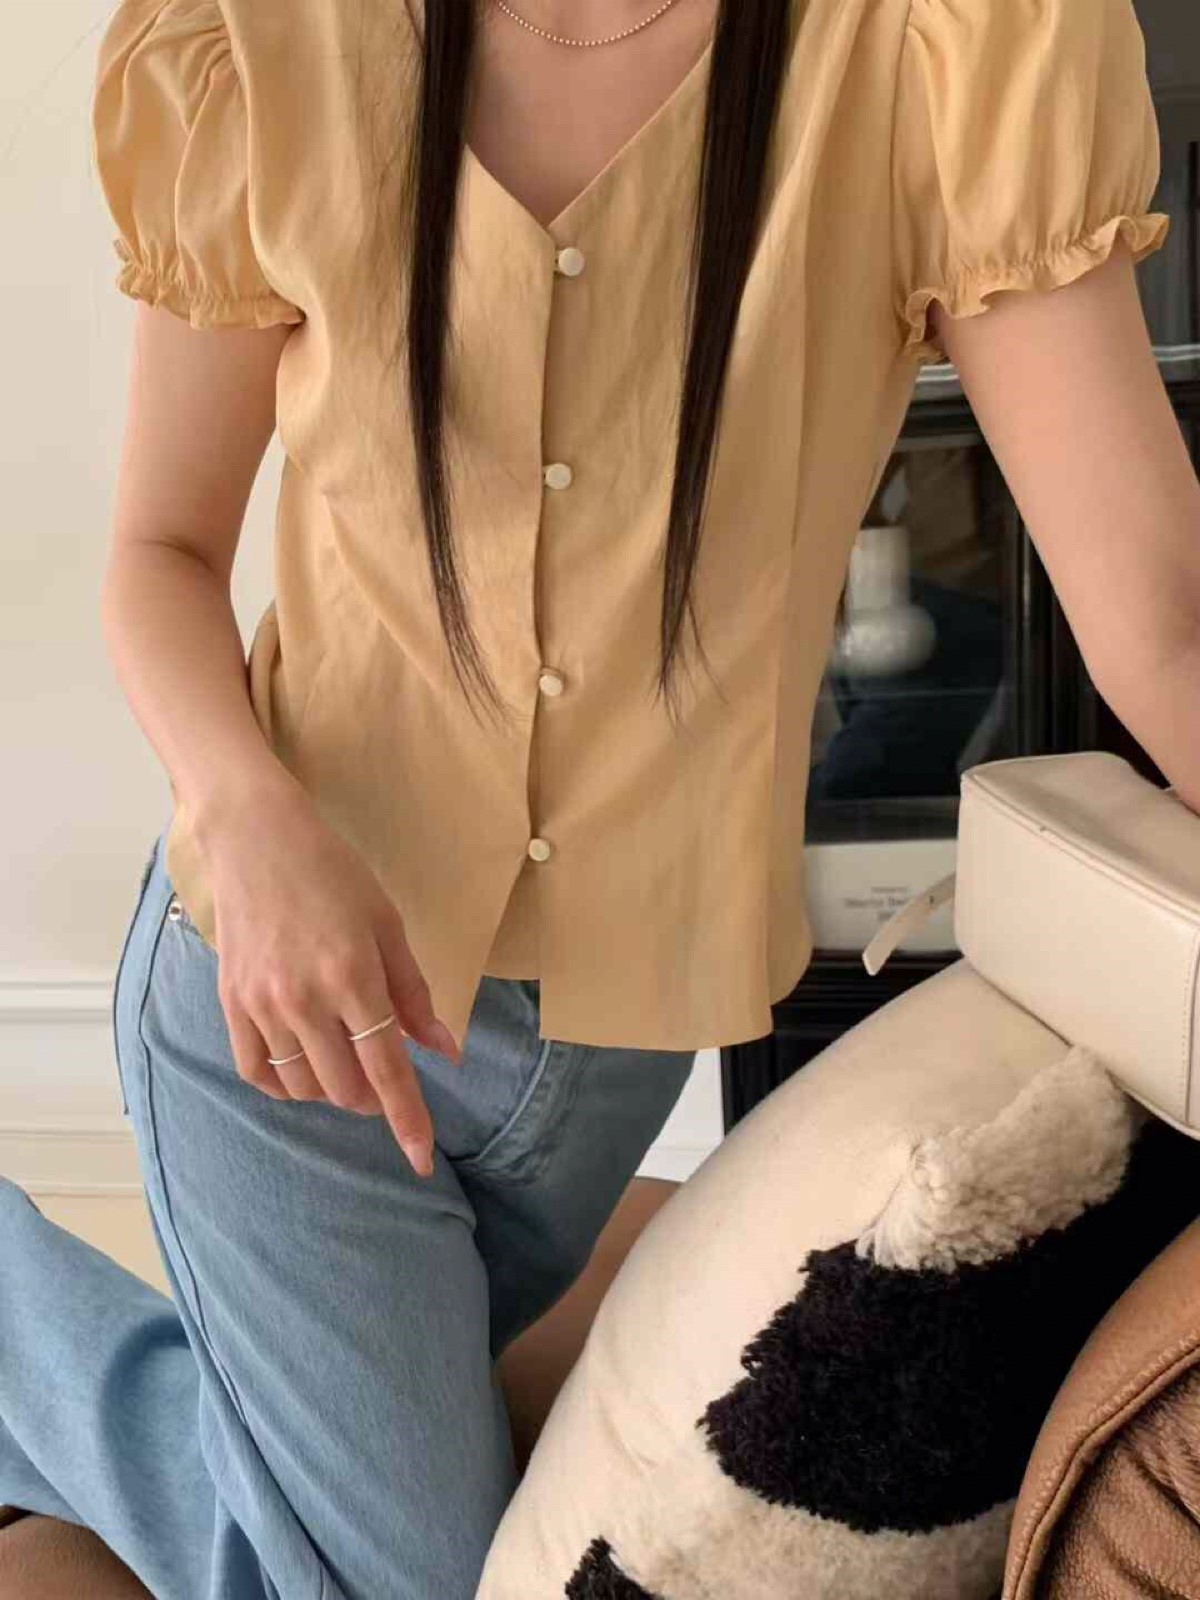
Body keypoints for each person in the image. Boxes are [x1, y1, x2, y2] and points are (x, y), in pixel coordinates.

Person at [3, 0, 1199, 1595]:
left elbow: (1163, 618)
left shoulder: (939, 50)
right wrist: (247, 813)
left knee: (275, 1501)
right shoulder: (262, 45)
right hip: (289, 1009)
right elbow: (159, 555)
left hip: (615, 1049)